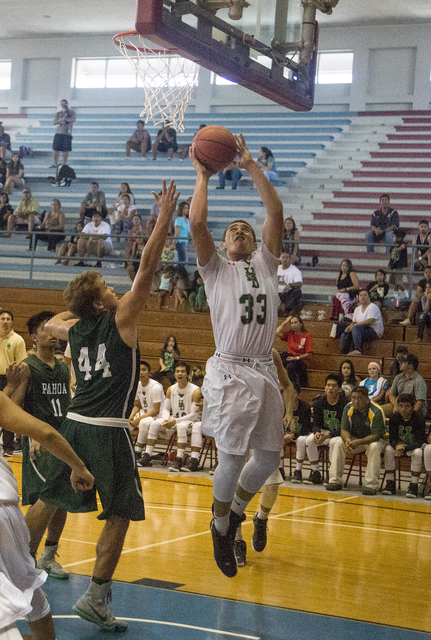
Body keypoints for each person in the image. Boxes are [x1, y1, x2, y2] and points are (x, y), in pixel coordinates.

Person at [24, 178, 180, 633]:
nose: (116, 289)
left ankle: (12, 569)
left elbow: (54, 320)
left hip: (72, 425)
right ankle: (96, 596)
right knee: (121, 511)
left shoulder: (72, 329)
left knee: (50, 499)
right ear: (99, 302)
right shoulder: (122, 318)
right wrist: (164, 218)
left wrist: (82, 309)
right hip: (107, 429)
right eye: (107, 288)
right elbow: (148, 266)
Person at [189, 133, 285, 578]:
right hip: (229, 368)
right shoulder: (215, 270)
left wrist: (251, 166)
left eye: (245, 229)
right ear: (226, 245)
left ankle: (237, 513)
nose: (241, 232)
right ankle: (220, 523)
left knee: (267, 459)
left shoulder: (266, 263)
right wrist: (201, 177)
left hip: (264, 368)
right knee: (230, 458)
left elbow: (275, 212)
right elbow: (196, 226)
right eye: (233, 231)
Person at [0, 367, 93, 640]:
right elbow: (47, 434)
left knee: (4, 611)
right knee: (25, 582)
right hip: (8, 510)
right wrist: (78, 467)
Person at [9, 312, 71, 580]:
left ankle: (48, 553)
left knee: (63, 498)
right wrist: (31, 434)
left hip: (61, 439)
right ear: (34, 337)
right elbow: (13, 409)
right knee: (49, 497)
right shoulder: (26, 366)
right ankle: (22, 555)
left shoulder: (62, 366)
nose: (54, 335)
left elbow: (66, 404)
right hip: (39, 442)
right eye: (46, 330)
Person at [235, 348, 295, 567]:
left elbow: (288, 387)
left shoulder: (272, 354)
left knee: (271, 483)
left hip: (267, 424)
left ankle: (261, 518)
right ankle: (237, 538)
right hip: (239, 422)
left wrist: (288, 412)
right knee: (234, 479)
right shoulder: (231, 349)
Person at [139, 361, 203, 472]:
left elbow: (193, 415)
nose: (180, 374)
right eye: (177, 371)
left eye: (182, 371)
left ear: (187, 374)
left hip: (190, 421)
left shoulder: (195, 391)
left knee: (181, 426)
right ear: (174, 374)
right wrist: (165, 421)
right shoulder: (170, 389)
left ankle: (178, 460)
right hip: (174, 420)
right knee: (155, 423)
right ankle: (147, 456)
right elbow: (166, 409)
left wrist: (174, 421)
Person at [326, 386, 386, 495]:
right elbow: (344, 430)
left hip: (374, 441)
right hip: (355, 440)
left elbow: (376, 436)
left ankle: (371, 485)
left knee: (374, 447)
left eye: (359, 398)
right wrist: (348, 440)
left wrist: (357, 442)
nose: (356, 401)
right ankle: (334, 480)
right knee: (339, 442)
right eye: (353, 398)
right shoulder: (348, 408)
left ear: (367, 399)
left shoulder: (376, 411)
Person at [304, 374, 348, 485]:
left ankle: (331, 473)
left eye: (334, 385)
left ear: (339, 388)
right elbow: (315, 423)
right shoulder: (319, 403)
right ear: (325, 388)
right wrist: (317, 432)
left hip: (339, 434)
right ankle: (316, 472)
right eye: (328, 385)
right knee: (309, 440)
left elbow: (345, 428)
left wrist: (328, 435)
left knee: (334, 442)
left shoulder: (344, 404)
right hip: (324, 432)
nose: (330, 388)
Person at [381, 393, 426, 498]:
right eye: (401, 406)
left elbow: (420, 440)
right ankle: (390, 483)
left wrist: (405, 448)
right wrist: (396, 446)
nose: (403, 409)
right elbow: (392, 438)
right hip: (399, 447)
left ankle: (413, 485)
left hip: (413, 447)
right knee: (388, 449)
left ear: (412, 407)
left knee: (418, 453)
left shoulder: (419, 418)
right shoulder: (394, 417)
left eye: (407, 406)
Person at [0, 310, 27, 456]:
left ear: (12, 322)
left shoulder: (18, 340)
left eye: (8, 319)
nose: (5, 321)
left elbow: (21, 363)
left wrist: (16, 384)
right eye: (2, 318)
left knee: (7, 412)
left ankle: (8, 447)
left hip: (8, 379)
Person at [130, 361, 164, 460]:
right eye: (139, 370)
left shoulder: (155, 387)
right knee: (124, 422)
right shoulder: (137, 385)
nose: (141, 372)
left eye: (144, 370)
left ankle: (139, 452)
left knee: (143, 422)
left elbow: (156, 411)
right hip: (145, 414)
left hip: (157, 416)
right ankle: (124, 451)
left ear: (149, 373)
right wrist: (132, 415)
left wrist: (138, 419)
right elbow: (137, 405)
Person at [339, 289, 384, 356]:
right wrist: (349, 327)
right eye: (361, 295)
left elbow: (370, 321)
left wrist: (355, 325)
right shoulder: (357, 309)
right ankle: (343, 354)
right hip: (360, 329)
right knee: (344, 333)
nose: (363, 297)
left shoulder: (373, 307)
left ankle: (358, 350)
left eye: (365, 295)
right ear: (358, 298)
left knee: (356, 328)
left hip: (373, 330)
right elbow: (354, 322)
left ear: (369, 298)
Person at [286, 383, 313, 484]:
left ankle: (298, 471)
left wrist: (294, 435)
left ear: (298, 395)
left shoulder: (305, 407)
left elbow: (307, 428)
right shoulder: (282, 407)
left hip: (301, 434)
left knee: (301, 440)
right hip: (287, 435)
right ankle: (279, 469)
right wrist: (285, 434)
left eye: (294, 393)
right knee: (277, 438)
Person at [384, 353, 427, 418]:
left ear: (410, 366)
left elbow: (419, 402)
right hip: (399, 405)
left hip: (411, 408)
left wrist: (411, 414)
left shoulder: (419, 381)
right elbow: (391, 394)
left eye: (403, 362)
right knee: (379, 411)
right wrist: (396, 406)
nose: (400, 363)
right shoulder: (398, 377)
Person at [276, 315, 312, 387]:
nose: (293, 325)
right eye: (292, 323)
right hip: (290, 357)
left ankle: (292, 387)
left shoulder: (306, 336)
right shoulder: (290, 334)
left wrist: (296, 358)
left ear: (301, 324)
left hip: (300, 360)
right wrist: (285, 322)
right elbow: (277, 333)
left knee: (290, 366)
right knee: (277, 358)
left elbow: (309, 354)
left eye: (295, 322)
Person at [50, 99, 76, 169]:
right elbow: (54, 122)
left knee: (65, 150)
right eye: (62, 103)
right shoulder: (58, 113)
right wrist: (60, 120)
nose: (63, 104)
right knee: (56, 149)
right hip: (59, 132)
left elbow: (73, 119)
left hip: (67, 133)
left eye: (64, 103)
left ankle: (64, 164)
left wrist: (65, 119)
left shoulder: (71, 112)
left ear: (67, 104)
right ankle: (55, 164)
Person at [277, 251, 302, 316]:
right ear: (280, 259)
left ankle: (286, 310)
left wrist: (291, 285)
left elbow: (299, 283)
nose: (285, 259)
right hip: (275, 293)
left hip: (287, 295)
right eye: (283, 257)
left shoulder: (295, 270)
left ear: (290, 259)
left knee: (297, 291)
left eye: (287, 257)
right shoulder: (275, 268)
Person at [388, 228, 408, 301]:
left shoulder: (401, 243)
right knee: (394, 282)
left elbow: (403, 247)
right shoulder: (394, 245)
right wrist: (389, 264)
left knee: (398, 282)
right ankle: (395, 294)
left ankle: (406, 294)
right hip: (393, 265)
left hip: (399, 266)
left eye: (394, 236)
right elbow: (391, 256)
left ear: (399, 238)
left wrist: (397, 249)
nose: (393, 238)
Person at [174, 201, 190, 265]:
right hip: (180, 241)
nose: (187, 210)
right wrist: (173, 243)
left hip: (185, 241)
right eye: (185, 208)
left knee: (183, 259)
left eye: (187, 208)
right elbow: (177, 232)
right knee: (183, 259)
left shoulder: (187, 220)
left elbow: (189, 232)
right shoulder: (179, 219)